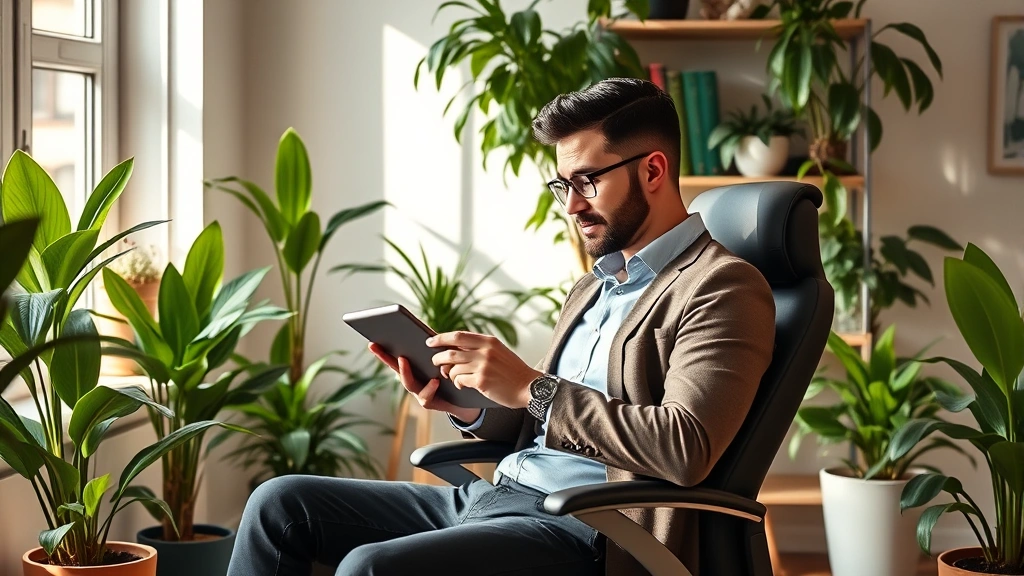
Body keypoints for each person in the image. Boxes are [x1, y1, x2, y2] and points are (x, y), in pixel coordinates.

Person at [226, 77, 775, 576]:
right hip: (502, 495)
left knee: (370, 568)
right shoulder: (596, 283)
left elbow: (683, 447)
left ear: (653, 170)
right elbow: (541, 426)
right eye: (562, 186)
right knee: (279, 503)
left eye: (587, 181)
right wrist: (469, 405)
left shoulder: (721, 286)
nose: (572, 206)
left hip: (589, 528)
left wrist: (533, 387)